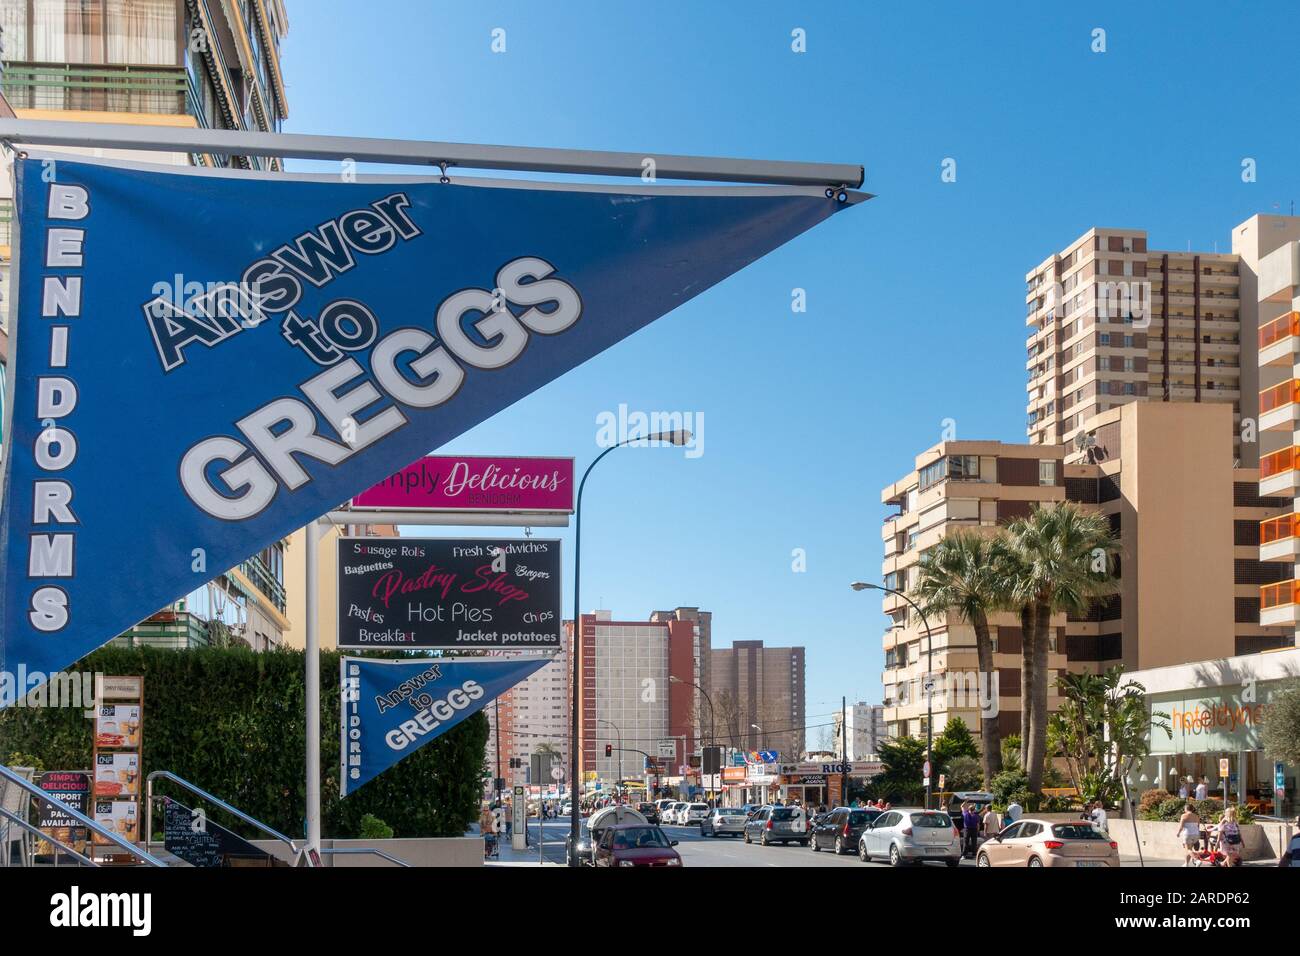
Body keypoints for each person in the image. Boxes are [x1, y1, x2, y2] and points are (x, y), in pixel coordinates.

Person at [1179, 802, 1202, 867]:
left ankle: (1197, 860)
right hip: (1195, 834)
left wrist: (1178, 833)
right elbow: (1198, 826)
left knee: (1188, 849)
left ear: (1186, 808)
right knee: (1190, 849)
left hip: (1188, 833)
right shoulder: (1196, 816)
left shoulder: (1184, 815)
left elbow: (1181, 826)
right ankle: (1186, 863)